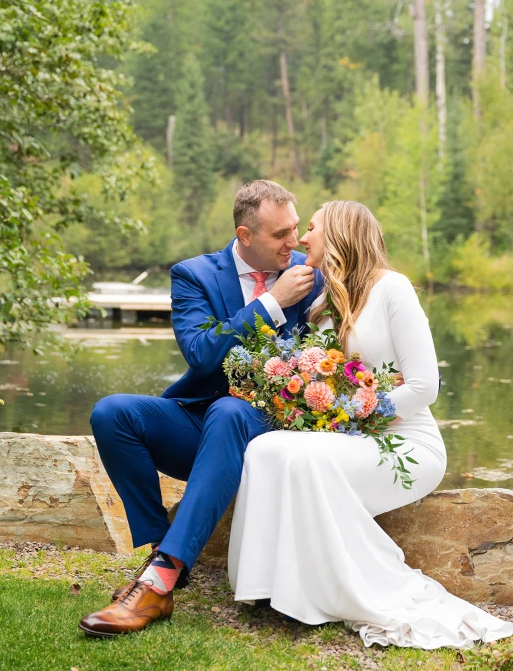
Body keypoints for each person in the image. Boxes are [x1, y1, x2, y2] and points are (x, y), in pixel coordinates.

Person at [228, 200, 513, 649]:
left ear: (339, 234)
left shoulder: (393, 289)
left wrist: (359, 413)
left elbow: (423, 387)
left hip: (404, 444)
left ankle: (334, 593)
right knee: (266, 449)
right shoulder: (323, 301)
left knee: (300, 458)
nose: (303, 239)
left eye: (313, 228)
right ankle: (270, 589)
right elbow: (321, 375)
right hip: (349, 436)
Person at [78, 180, 323, 637]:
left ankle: (158, 580)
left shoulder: (312, 279)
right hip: (200, 424)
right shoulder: (194, 275)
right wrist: (272, 303)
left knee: (229, 413)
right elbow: (203, 355)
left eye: (295, 228)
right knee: (112, 412)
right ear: (245, 236)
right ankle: (163, 554)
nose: (294, 242)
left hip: (269, 431)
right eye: (280, 235)